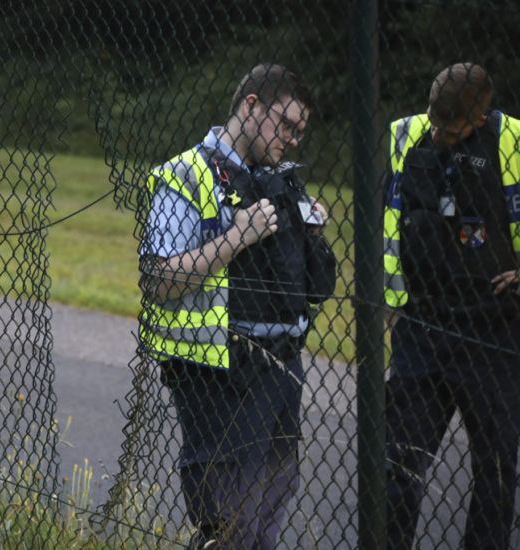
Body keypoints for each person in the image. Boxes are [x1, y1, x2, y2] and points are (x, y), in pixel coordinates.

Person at [138, 63, 336, 549]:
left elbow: (316, 286)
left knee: (266, 511)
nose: (292, 140)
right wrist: (236, 238)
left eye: (300, 131)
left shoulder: (283, 182)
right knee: (230, 521)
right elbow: (158, 279)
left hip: (283, 366)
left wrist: (314, 238)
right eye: (286, 125)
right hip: (217, 371)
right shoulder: (185, 174)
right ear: (251, 106)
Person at [383, 62, 520, 550]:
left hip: (494, 330)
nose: (438, 134)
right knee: (396, 463)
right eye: (434, 121)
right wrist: (390, 301)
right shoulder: (406, 135)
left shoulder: (513, 143)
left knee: (497, 471)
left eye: (451, 128)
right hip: (422, 323)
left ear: (479, 120)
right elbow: (387, 219)